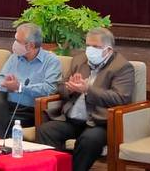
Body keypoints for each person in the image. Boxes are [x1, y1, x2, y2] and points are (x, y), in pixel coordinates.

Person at [36, 28, 134, 171]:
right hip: (72, 119)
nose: (90, 50)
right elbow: (60, 86)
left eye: (95, 46)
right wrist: (70, 88)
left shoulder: (122, 67)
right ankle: (58, 168)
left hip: (100, 122)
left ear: (108, 50)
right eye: (88, 45)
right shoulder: (79, 60)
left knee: (89, 140)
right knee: (46, 130)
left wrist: (88, 89)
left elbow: (120, 98)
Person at [0, 22, 62, 138]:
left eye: (18, 41)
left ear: (31, 45)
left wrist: (20, 87)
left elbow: (50, 89)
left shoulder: (51, 61)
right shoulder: (15, 57)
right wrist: (5, 83)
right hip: (7, 105)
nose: (14, 44)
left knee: (2, 121)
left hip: (29, 110)